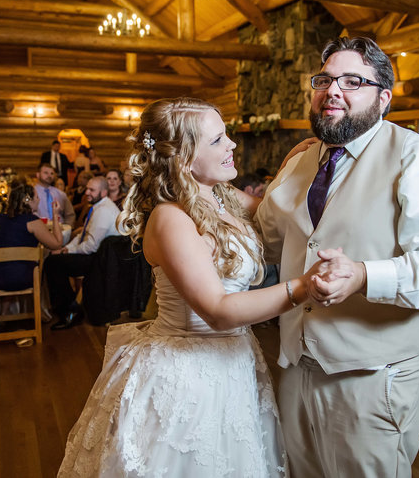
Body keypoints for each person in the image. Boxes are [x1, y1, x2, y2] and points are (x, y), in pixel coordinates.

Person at [57, 97, 346, 476]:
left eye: (226, 135)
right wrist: (302, 288)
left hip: (235, 366)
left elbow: (274, 211)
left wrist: (297, 165)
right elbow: (218, 311)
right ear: (183, 159)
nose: (232, 145)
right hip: (186, 378)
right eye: (217, 140)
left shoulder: (223, 197)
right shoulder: (170, 219)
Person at [255, 36, 419, 477]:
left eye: (352, 81)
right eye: (324, 79)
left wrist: (362, 275)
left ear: (384, 97)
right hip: (297, 364)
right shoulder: (301, 162)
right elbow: (270, 239)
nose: (332, 90)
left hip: (375, 376)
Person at [45, 176, 120, 330]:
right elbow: (82, 236)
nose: (87, 192)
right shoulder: (97, 206)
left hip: (102, 260)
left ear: (104, 192)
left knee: (53, 264)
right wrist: (66, 249)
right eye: (87, 189)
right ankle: (70, 305)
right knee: (54, 259)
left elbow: (91, 246)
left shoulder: (104, 211)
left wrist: (66, 251)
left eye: (92, 190)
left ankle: (70, 311)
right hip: (96, 254)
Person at [0, 183, 63, 292]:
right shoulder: (32, 221)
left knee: (9, 267)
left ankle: (5, 309)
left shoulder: (1, 219)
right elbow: (57, 244)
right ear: (28, 200)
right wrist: (55, 215)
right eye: (36, 197)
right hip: (20, 278)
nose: (39, 200)